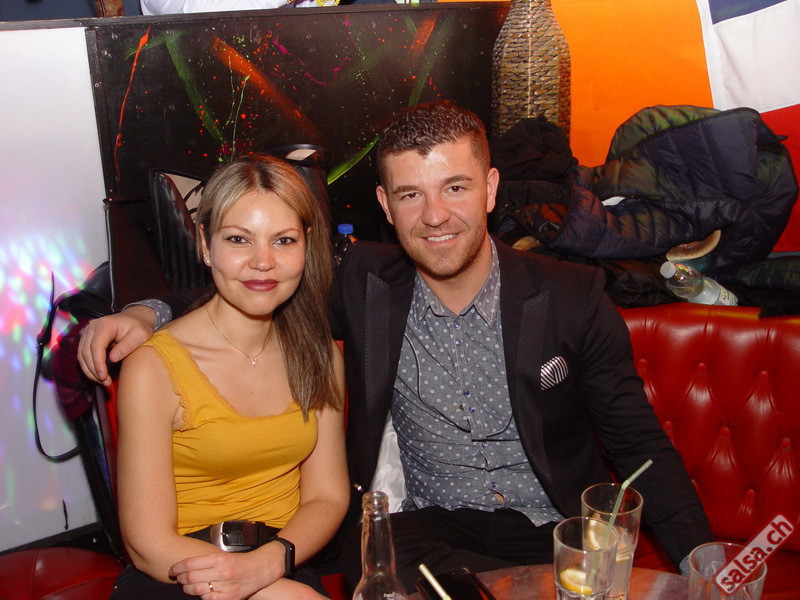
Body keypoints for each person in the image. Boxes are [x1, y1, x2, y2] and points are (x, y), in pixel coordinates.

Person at [79, 102, 713, 593]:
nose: (434, 215)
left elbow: (638, 443)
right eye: (411, 194)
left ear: (491, 188)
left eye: (455, 187)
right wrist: (147, 311)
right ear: (385, 204)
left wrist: (701, 560)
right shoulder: (364, 286)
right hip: (428, 534)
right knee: (384, 567)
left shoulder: (572, 296)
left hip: (550, 528)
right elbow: (257, 280)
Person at [106, 154, 348, 600]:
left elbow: (327, 497)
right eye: (239, 239)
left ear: (306, 246)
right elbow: (147, 544)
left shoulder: (320, 355)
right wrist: (263, 587)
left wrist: (268, 566)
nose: (263, 262)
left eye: (283, 240)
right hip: (177, 573)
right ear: (205, 243)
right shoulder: (154, 367)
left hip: (282, 559)